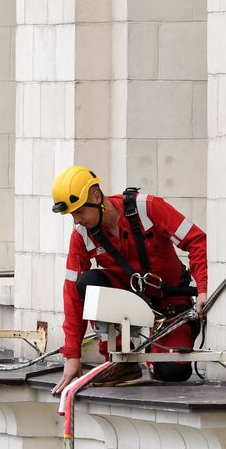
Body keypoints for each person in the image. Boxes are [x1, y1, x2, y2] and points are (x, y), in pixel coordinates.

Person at [50, 166, 208, 393]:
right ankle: (119, 360)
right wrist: (72, 355)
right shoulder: (82, 235)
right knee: (87, 282)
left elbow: (196, 240)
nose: (76, 220)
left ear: (96, 197)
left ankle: (157, 346)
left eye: (80, 211)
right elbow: (72, 295)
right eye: (72, 214)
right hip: (127, 301)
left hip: (170, 303)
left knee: (173, 372)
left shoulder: (148, 208)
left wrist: (202, 288)